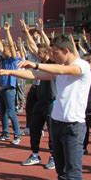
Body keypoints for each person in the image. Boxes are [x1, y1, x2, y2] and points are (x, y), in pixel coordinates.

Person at [0, 34, 91, 180]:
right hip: (57, 123)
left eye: (55, 53)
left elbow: (62, 69)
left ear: (66, 51)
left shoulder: (81, 66)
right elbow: (36, 76)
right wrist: (11, 71)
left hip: (74, 127)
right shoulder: (59, 68)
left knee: (73, 173)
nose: (52, 57)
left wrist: (37, 64)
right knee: (61, 171)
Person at [19, 19, 55, 168]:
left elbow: (47, 46)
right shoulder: (39, 62)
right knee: (34, 127)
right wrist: (27, 32)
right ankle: (35, 154)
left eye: (41, 53)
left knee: (52, 131)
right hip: (40, 100)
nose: (37, 54)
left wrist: (41, 31)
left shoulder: (53, 63)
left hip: (51, 101)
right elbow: (33, 47)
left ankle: (54, 156)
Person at [0, 22, 21, 145]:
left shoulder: (13, 59)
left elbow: (10, 44)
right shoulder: (3, 59)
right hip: (1, 88)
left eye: (6, 49)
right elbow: (0, 47)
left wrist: (8, 31)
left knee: (11, 112)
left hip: (10, 88)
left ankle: (17, 135)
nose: (3, 49)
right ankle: (5, 133)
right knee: (3, 112)